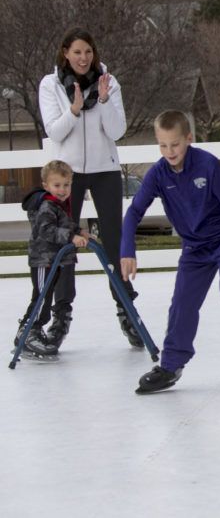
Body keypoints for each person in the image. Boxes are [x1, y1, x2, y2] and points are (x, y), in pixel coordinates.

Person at [120, 110, 220, 394]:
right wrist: (127, 250)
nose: (170, 151)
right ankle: (170, 366)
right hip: (193, 247)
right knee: (182, 303)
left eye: (175, 144)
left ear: (188, 139)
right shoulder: (157, 173)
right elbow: (133, 213)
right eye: (163, 145)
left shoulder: (207, 164)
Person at [37, 27, 142, 351]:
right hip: (68, 174)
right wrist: (74, 109)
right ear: (65, 53)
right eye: (77, 52)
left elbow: (117, 130)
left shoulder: (107, 82)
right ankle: (60, 318)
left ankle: (127, 311)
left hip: (105, 170)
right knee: (66, 244)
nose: (83, 58)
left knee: (114, 240)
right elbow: (55, 132)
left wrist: (105, 100)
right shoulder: (51, 84)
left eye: (88, 52)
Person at [16, 160, 92, 360]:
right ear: (46, 186)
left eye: (66, 185)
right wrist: (70, 237)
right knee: (42, 297)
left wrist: (79, 231)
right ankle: (28, 331)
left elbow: (65, 224)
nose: (62, 190)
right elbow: (46, 230)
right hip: (44, 259)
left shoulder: (59, 204)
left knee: (46, 295)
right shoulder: (47, 205)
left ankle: (33, 330)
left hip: (55, 259)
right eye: (57, 185)